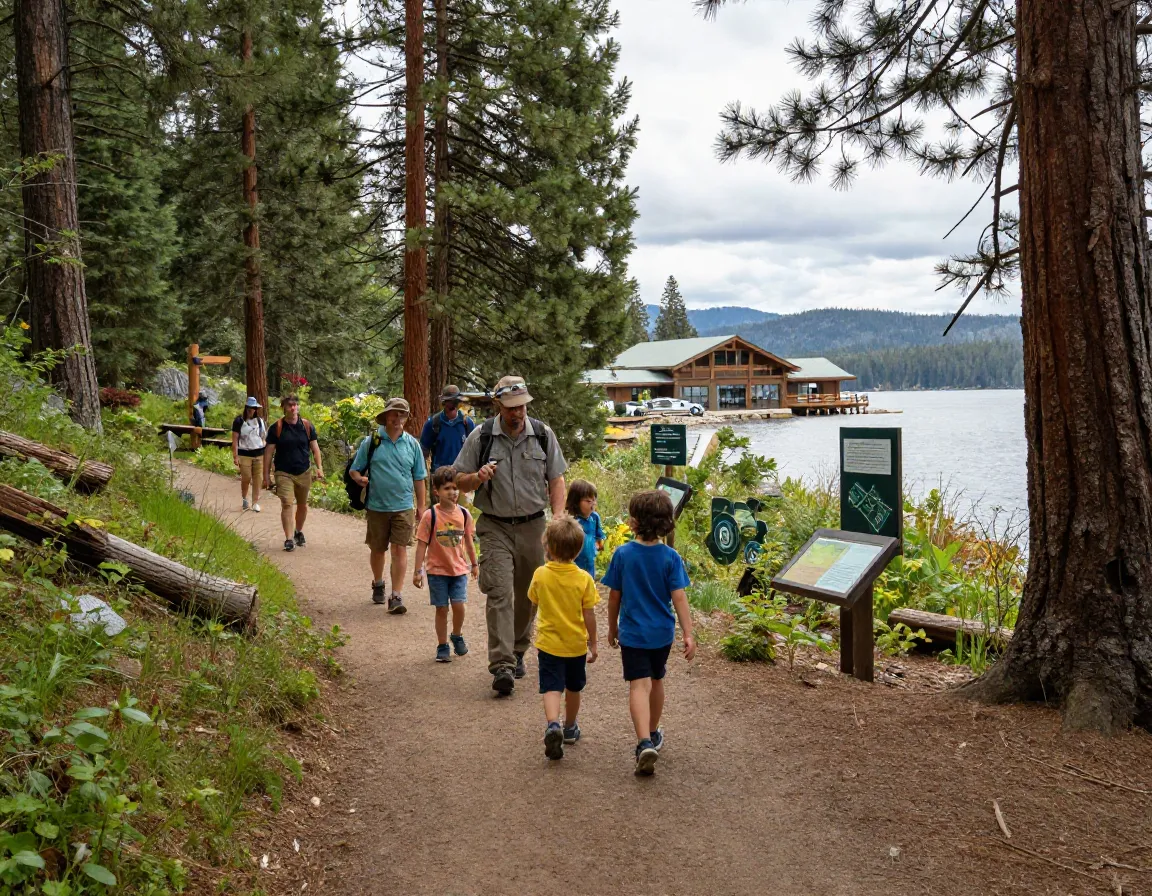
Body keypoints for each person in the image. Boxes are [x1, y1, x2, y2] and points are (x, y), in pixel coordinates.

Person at [454, 375, 568, 696]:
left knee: (529, 594)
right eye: (510, 407)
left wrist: (558, 518)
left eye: (521, 406)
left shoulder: (542, 435)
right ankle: (502, 664)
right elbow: (458, 478)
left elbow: (556, 479)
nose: (517, 413)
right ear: (498, 406)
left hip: (534, 526)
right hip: (495, 526)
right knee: (500, 591)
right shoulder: (481, 437)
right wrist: (477, 477)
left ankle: (518, 648)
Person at [603, 489, 695, 776]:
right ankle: (653, 733)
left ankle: (644, 742)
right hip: (661, 634)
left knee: (638, 685)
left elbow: (614, 597)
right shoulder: (670, 557)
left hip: (633, 633)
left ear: (634, 522)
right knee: (656, 680)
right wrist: (688, 633)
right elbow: (679, 597)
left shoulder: (623, 554)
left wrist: (612, 627)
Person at [527, 516, 598, 760]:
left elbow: (533, 602)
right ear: (578, 550)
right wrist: (593, 642)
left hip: (548, 644)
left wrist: (530, 627)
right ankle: (569, 727)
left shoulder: (540, 574)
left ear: (548, 546)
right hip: (576, 645)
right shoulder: (584, 579)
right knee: (573, 687)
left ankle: (553, 724)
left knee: (551, 687)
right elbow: (589, 614)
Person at [348, 397, 427, 613]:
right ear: (386, 416)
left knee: (399, 549)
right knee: (377, 549)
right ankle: (378, 583)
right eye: (394, 413)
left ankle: (396, 596)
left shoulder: (412, 444)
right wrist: (359, 478)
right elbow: (354, 469)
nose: (398, 418)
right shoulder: (372, 442)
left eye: (402, 414)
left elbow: (419, 477)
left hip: (403, 506)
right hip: (377, 506)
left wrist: (421, 506)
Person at [413, 466, 477, 661]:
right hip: (437, 571)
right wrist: (417, 571)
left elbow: (469, 542)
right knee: (441, 609)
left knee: (459, 605)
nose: (452, 492)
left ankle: (457, 635)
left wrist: (474, 564)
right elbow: (421, 544)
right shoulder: (430, 516)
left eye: (455, 488)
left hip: (459, 570)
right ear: (437, 491)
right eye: (447, 488)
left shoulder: (464, 514)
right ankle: (442, 645)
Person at [263, 394, 324, 553]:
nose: (293, 408)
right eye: (290, 405)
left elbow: (315, 449)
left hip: (304, 471)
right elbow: (268, 453)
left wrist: (319, 467)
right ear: (284, 407)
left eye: (295, 405)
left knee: (302, 505)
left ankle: (298, 531)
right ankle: (289, 538)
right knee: (287, 503)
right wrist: (266, 476)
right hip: (283, 472)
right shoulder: (277, 428)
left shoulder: (307, 426)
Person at [420, 385, 476, 479]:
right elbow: (423, 452)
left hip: (461, 474)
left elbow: (474, 449)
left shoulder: (467, 423)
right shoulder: (433, 423)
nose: (453, 404)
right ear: (444, 402)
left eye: (455, 401)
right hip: (440, 476)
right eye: (450, 401)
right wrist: (422, 474)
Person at [231, 397, 267, 512]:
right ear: (246, 408)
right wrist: (235, 456)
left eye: (254, 408)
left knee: (258, 478)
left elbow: (263, 437)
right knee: (246, 477)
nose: (251, 410)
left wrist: (264, 448)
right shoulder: (239, 421)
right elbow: (235, 439)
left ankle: (255, 502)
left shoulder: (260, 421)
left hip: (259, 453)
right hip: (244, 453)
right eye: (249, 408)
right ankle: (244, 498)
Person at [566, 479, 605, 579]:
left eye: (594, 500)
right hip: (574, 565)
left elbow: (598, 534)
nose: (593, 504)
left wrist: (600, 544)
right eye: (588, 501)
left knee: (590, 583)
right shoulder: (571, 521)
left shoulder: (594, 517)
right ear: (575, 502)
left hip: (590, 563)